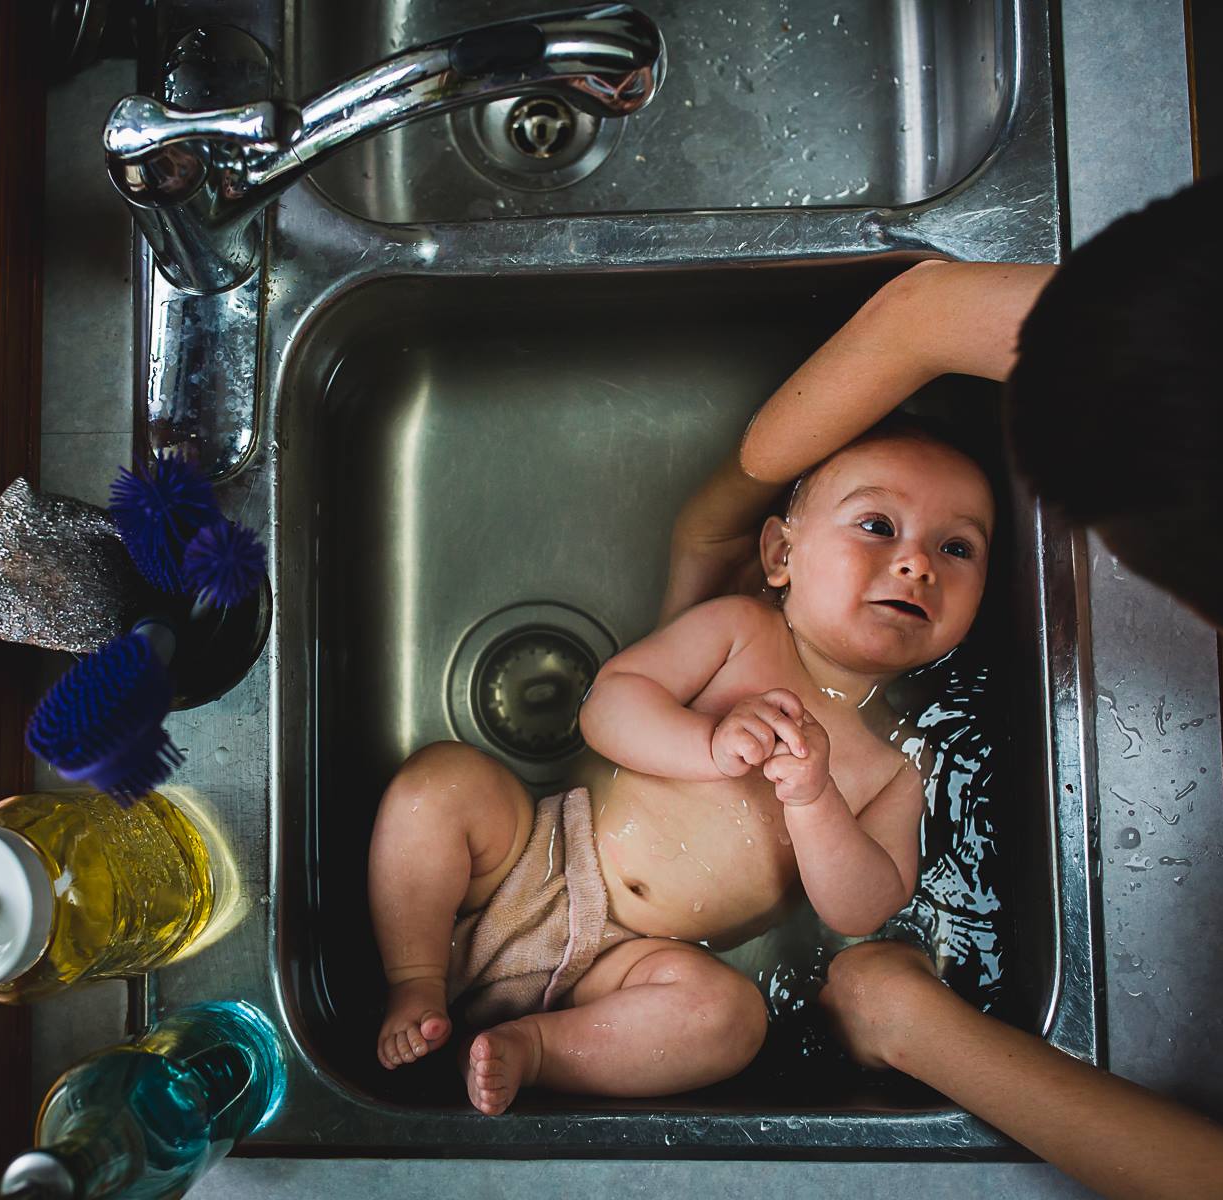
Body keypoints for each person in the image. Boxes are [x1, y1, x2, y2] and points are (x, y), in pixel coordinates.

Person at [666, 160, 1223, 1198]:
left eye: (964, 548)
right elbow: (921, 311)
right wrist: (717, 516)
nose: (917, 563)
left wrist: (909, 1024)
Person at [368, 422, 996, 1116]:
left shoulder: (899, 765)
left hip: (635, 965)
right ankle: (417, 978)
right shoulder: (739, 631)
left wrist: (817, 802)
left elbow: (865, 905)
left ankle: (537, 1048)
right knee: (443, 783)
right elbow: (607, 708)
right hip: (533, 854)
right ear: (781, 555)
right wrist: (708, 745)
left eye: (957, 547)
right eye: (878, 525)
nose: (918, 565)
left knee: (730, 1021)